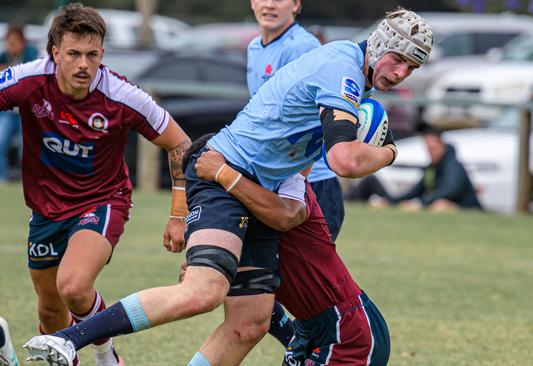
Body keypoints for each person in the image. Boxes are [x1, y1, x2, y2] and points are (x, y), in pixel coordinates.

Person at [24, 8, 432, 366]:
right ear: (379, 44)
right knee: (202, 292)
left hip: (260, 184)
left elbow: (296, 152)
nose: (399, 73)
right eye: (398, 59)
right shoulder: (342, 68)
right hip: (224, 172)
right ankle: (65, 339)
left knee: (249, 322)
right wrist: (390, 151)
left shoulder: (350, 73)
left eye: (411, 68)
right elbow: (344, 161)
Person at [1, 4, 192, 366]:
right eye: (73, 54)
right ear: (55, 53)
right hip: (46, 210)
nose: (83, 65)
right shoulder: (28, 80)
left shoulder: (123, 96)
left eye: (92, 54)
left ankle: (107, 356)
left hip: (102, 201)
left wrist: (179, 214)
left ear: (102, 53)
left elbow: (180, 143)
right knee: (50, 308)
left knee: (73, 286)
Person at [186, 147, 390, 365]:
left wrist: (222, 172)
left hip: (347, 330)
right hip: (307, 330)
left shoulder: (289, 193)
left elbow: (286, 213)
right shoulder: (237, 211)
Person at [245, 0, 321, 347]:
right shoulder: (253, 47)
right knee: (254, 283)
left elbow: (310, 119)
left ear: (296, 5)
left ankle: (312, 348)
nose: (270, 4)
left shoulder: (302, 47)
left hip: (310, 183)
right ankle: (302, 347)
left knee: (297, 288)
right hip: (272, 184)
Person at [354, 126, 482, 212]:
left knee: (440, 205)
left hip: (466, 209)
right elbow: (415, 191)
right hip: (437, 205)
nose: (430, 152)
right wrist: (390, 202)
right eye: (428, 148)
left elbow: (450, 190)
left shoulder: (454, 166)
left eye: (433, 148)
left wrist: (421, 203)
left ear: (442, 145)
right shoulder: (432, 168)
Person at [0, 24, 38, 182]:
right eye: (9, 42)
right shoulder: (3, 56)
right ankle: (2, 179)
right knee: (1, 143)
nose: (11, 46)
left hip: (26, 112)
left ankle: (28, 181)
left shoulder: (31, 55)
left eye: (14, 42)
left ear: (22, 42)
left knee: (27, 150)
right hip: (8, 113)